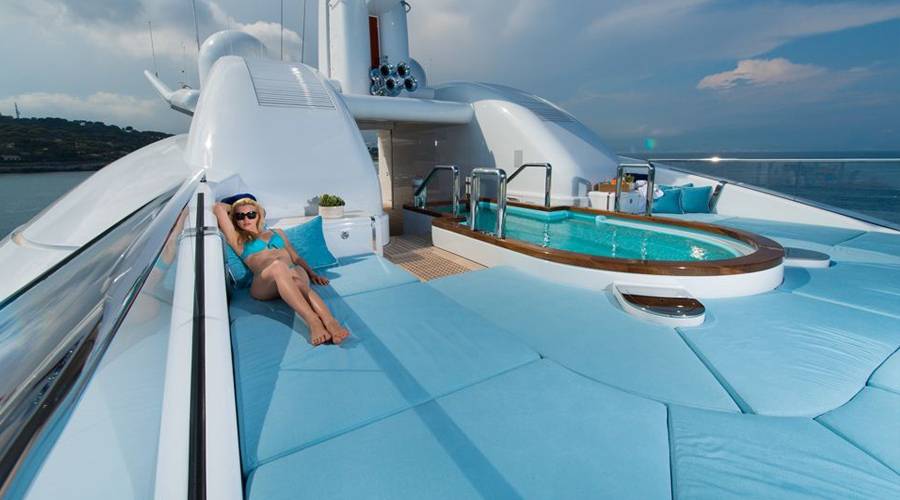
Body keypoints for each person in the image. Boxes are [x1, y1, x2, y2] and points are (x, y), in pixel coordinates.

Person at [214, 197, 349, 346]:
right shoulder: (237, 239)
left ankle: (331, 322)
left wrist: (312, 274)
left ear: (259, 215)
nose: (246, 219)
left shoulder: (277, 233)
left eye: (251, 214)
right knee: (278, 266)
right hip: (265, 284)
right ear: (235, 218)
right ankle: (313, 321)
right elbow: (218, 208)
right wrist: (238, 206)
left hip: (292, 274)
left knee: (298, 281)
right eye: (240, 216)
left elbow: (296, 257)